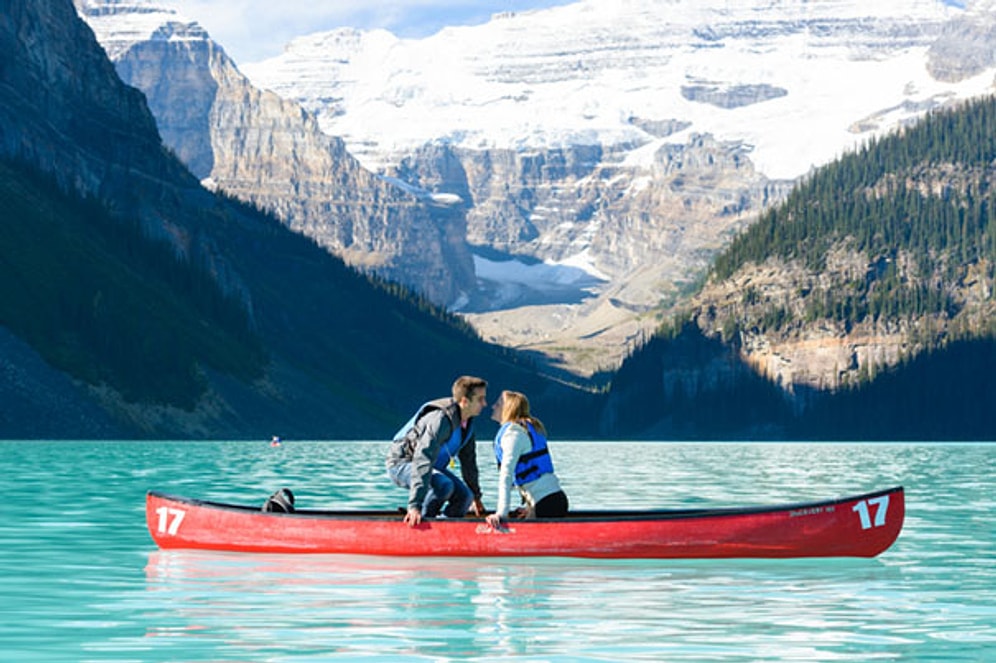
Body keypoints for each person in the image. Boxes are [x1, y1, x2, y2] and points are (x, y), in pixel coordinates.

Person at [386, 376, 489, 527]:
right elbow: (423, 459)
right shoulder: (441, 420)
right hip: (402, 464)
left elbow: (469, 464)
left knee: (465, 496)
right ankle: (421, 526)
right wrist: (415, 505)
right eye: (480, 399)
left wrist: (476, 497)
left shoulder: (468, 424)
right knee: (443, 485)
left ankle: (445, 527)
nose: (484, 404)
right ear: (465, 401)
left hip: (431, 468)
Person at [485, 390, 568, 528]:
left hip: (547, 503)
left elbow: (506, 475)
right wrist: (530, 507)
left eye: (498, 404)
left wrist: (501, 513)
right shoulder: (522, 430)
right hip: (550, 500)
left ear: (508, 409)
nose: (493, 406)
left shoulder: (513, 435)